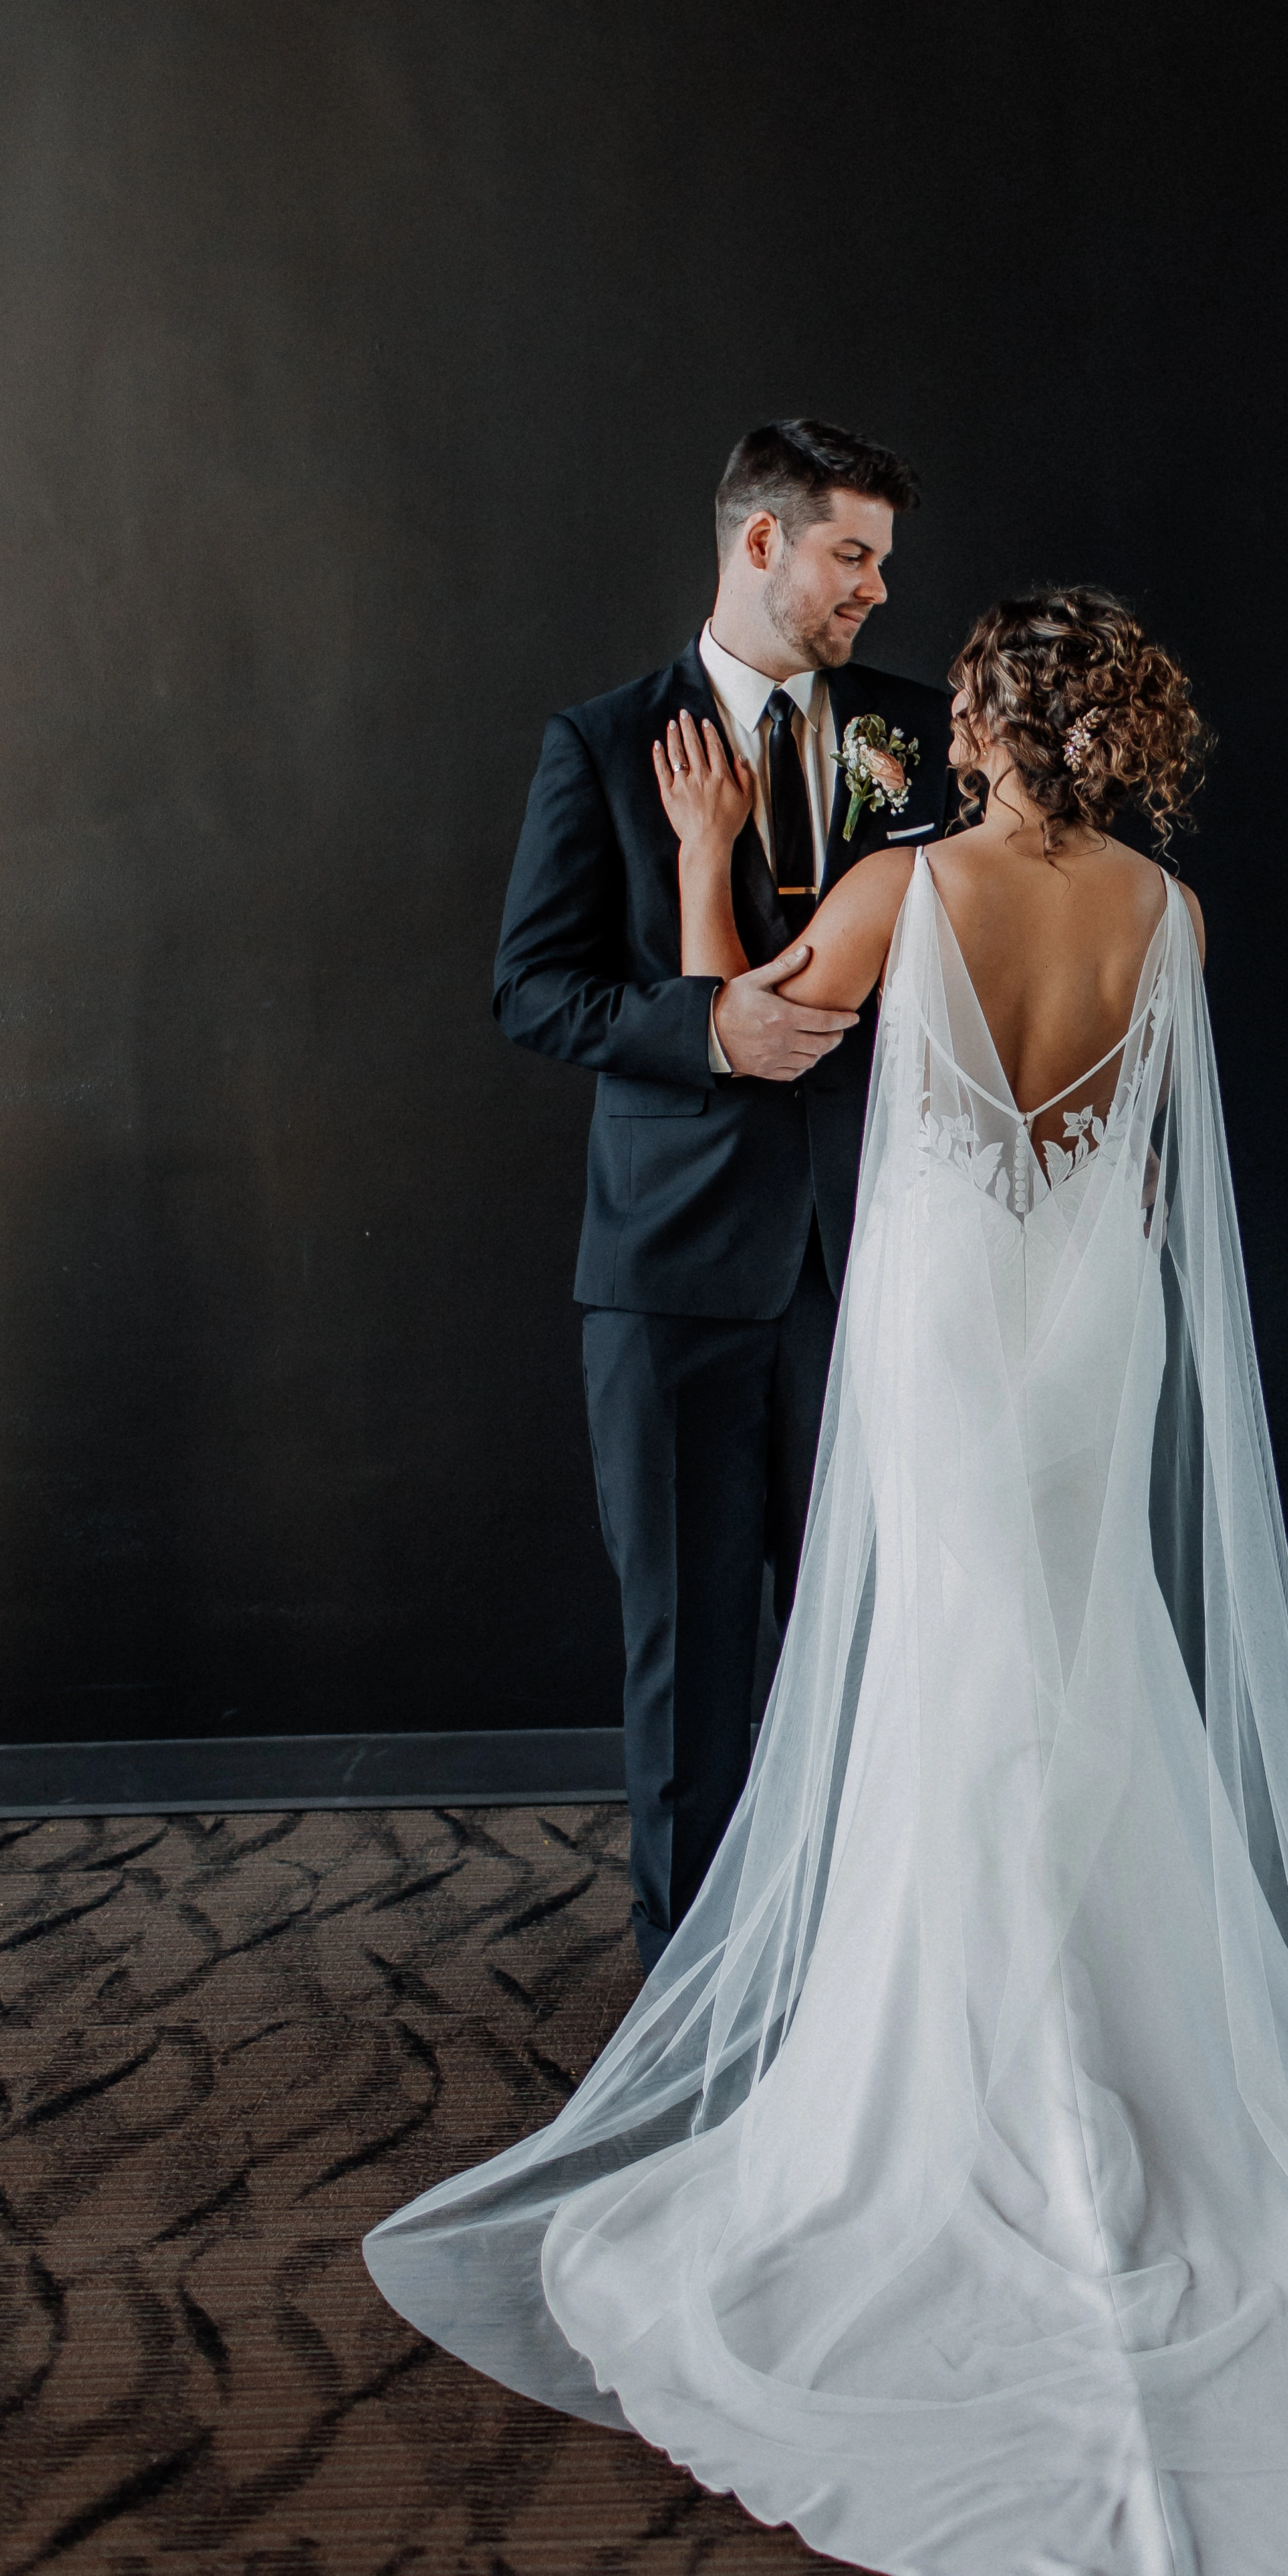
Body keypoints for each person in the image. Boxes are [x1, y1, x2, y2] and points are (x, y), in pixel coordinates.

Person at [372, 586, 1288, 2576]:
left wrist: (706, 860)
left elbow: (753, 1033)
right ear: (1117, 732)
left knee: (963, 1682)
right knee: (1075, 1667)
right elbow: (1145, 1170)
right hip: (1091, 1328)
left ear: (978, 721)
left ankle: (986, 2091)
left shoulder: (903, 884)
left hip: (953, 1324)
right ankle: (1141, 2073)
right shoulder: (1167, 913)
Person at [491, 419, 953, 1969]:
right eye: (851, 554)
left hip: (879, 1251)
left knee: (881, 1637)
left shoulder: (921, 729)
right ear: (759, 542)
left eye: (881, 558)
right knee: (687, 1649)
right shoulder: (605, 742)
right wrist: (709, 1026)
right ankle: (688, 2004)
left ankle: (871, 1991)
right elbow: (533, 989)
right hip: (673, 1265)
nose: (878, 588)